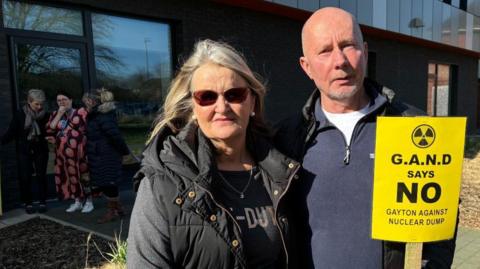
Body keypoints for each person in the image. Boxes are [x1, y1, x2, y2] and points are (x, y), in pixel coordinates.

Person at [274, 7, 457, 269]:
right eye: (325, 51)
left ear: (365, 51)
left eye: (348, 45)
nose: (340, 60)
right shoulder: (285, 139)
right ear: (306, 67)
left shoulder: (411, 128)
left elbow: (443, 217)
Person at [127, 39, 300, 268]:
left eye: (234, 94)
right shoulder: (162, 181)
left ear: (253, 103)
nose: (222, 107)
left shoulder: (282, 172)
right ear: (194, 108)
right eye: (207, 96)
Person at [83, 89, 130, 223]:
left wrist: (124, 152)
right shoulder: (96, 115)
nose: (85, 104)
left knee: (108, 183)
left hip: (107, 155)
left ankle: (112, 211)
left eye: (86, 101)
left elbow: (115, 136)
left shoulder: (103, 115)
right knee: (106, 183)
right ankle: (118, 208)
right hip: (99, 154)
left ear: (93, 101)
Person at [1, 89, 49, 214]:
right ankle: (28, 203)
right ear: (29, 101)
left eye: (41, 104)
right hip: (24, 150)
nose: (39, 107)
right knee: (25, 177)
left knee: (41, 176)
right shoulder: (20, 114)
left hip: (40, 149)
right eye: (36, 104)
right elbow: (11, 133)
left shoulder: (45, 114)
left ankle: (43, 202)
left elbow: (49, 131)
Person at [46, 91, 91, 213]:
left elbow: (88, 129)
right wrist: (60, 114)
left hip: (80, 152)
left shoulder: (80, 112)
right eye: (59, 100)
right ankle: (77, 201)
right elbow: (51, 128)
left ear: (70, 100)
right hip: (63, 153)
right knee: (70, 176)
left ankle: (89, 201)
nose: (61, 102)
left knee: (84, 175)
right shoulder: (56, 114)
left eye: (64, 99)